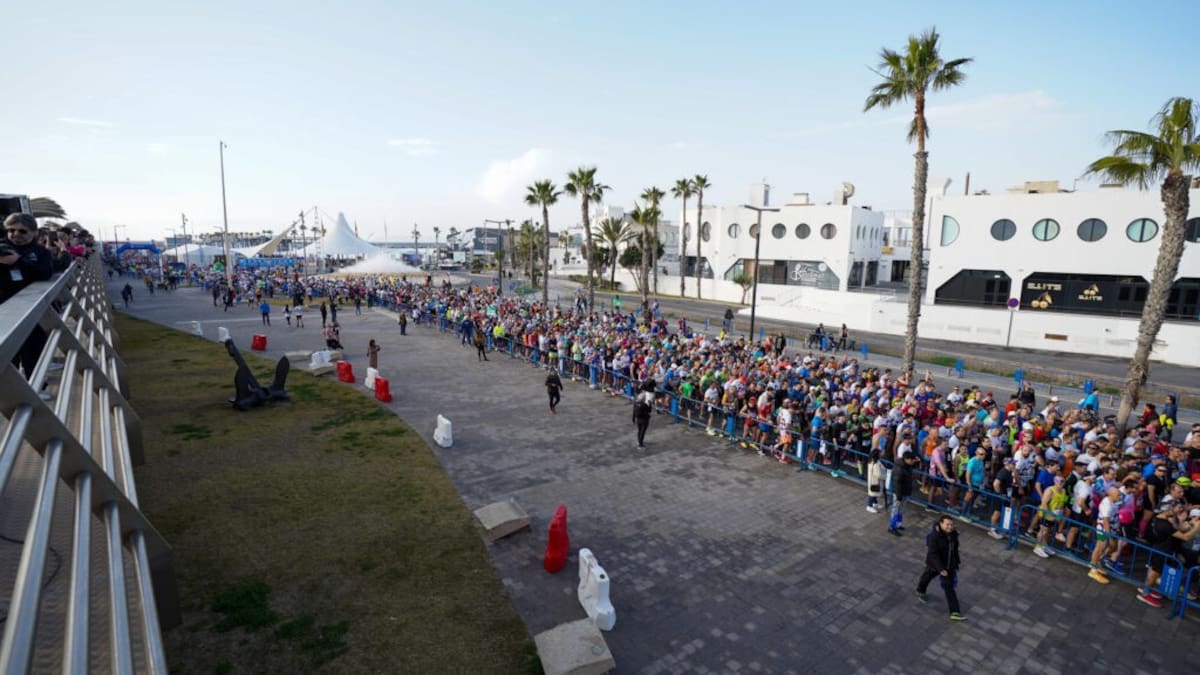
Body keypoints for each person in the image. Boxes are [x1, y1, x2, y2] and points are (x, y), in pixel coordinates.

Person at [916, 515, 967, 621]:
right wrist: (940, 568)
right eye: (947, 524)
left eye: (951, 524)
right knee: (927, 577)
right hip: (935, 565)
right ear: (941, 523)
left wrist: (956, 562)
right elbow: (933, 554)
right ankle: (920, 590)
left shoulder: (953, 534)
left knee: (949, 588)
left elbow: (954, 550)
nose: (950, 527)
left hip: (949, 566)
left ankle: (955, 612)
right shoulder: (933, 536)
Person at [889, 452, 918, 536]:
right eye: (912, 460)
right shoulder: (899, 469)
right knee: (895, 510)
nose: (913, 462)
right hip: (899, 494)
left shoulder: (907, 466)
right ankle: (892, 527)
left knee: (901, 510)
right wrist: (898, 497)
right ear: (907, 459)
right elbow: (897, 484)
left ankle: (898, 525)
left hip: (905, 492)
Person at [866, 449, 885, 513]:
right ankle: (869, 506)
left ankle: (875, 503)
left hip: (872, 481)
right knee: (872, 494)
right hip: (875, 481)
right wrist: (885, 477)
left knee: (873, 493)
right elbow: (878, 475)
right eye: (880, 453)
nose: (882, 454)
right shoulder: (876, 463)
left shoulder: (871, 460)